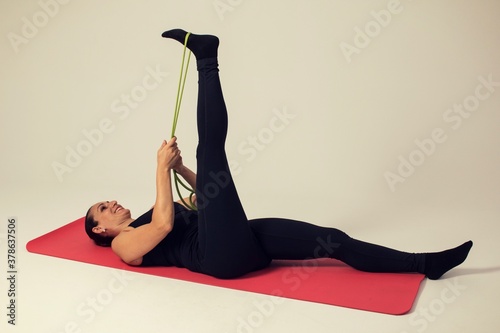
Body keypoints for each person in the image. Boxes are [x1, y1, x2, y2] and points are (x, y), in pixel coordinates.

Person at [85, 29, 473, 280]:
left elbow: (211, 191)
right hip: (220, 259)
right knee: (212, 149)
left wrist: (181, 167)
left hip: (243, 243)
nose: (113, 203)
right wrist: (159, 168)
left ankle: (423, 264)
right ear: (101, 230)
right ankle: (207, 57)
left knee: (331, 239)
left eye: (107, 200)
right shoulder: (124, 244)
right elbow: (165, 226)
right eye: (104, 208)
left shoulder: (152, 210)